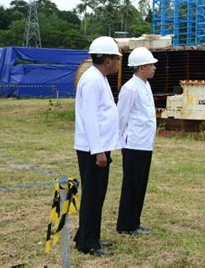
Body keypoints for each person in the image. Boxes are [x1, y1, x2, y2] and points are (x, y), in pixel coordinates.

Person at [74, 36, 122, 256]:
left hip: (98, 146)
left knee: (97, 194)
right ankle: (88, 242)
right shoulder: (92, 80)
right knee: (93, 195)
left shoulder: (98, 77)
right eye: (117, 58)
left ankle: (89, 235)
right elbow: (90, 118)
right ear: (108, 59)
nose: (119, 63)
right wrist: (98, 151)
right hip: (93, 149)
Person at [116, 47, 158, 235]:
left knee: (140, 185)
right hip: (133, 144)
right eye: (151, 65)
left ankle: (135, 221)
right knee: (131, 185)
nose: (154, 68)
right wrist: (121, 142)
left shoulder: (145, 85)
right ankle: (126, 224)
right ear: (142, 67)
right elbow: (121, 118)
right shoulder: (130, 88)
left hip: (145, 144)